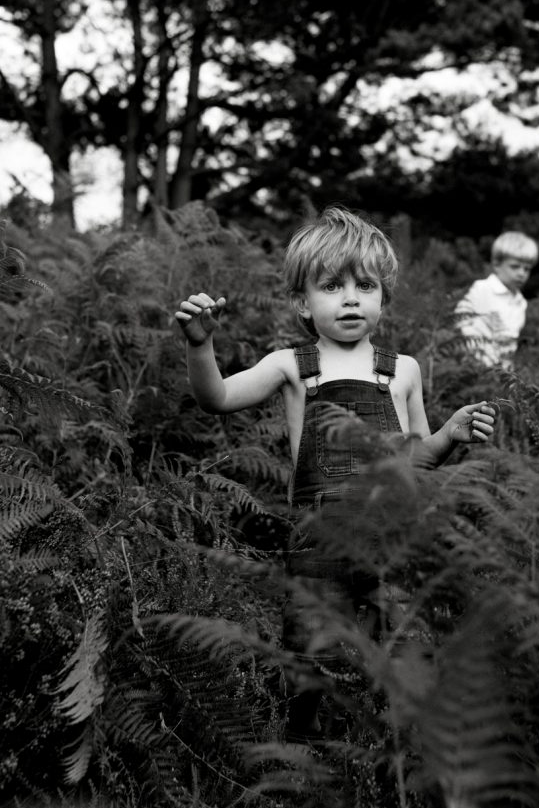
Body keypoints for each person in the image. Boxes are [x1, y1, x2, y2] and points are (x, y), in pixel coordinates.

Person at [174, 206, 497, 738]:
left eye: (364, 285)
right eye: (331, 286)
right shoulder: (291, 365)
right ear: (303, 301)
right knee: (312, 659)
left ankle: (396, 755)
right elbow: (217, 398)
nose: (350, 297)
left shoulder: (403, 370)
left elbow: (414, 461)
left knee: (407, 651)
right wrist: (200, 345)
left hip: (393, 536)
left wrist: (448, 437)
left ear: (383, 298)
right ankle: (303, 762)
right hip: (318, 541)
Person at [455, 231, 539, 369]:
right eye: (515, 266)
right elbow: (459, 319)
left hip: (503, 370)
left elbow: (511, 341)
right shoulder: (482, 289)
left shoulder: (520, 302)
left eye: (527, 269)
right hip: (475, 365)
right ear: (496, 264)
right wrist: (474, 350)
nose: (521, 273)